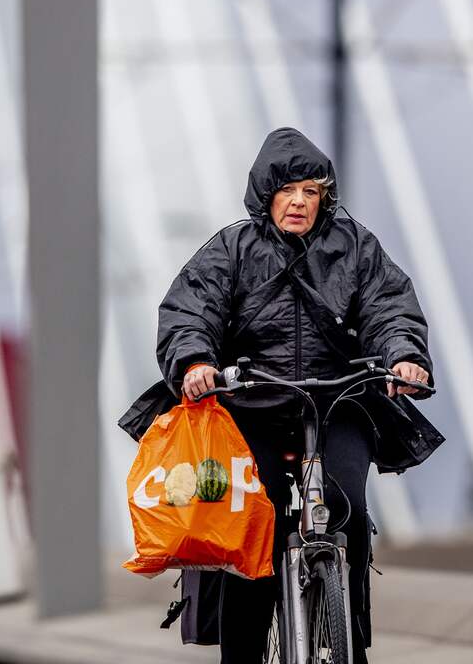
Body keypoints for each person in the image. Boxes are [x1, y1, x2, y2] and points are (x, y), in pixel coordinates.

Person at [155, 127, 438, 663]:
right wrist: (195, 362)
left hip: (338, 403)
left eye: (312, 191)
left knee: (347, 507)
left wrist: (404, 356)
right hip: (253, 404)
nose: (299, 202)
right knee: (250, 526)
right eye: (288, 191)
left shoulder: (355, 248)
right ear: (267, 195)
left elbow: (388, 307)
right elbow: (191, 311)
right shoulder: (231, 249)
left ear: (324, 197)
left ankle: (347, 634)